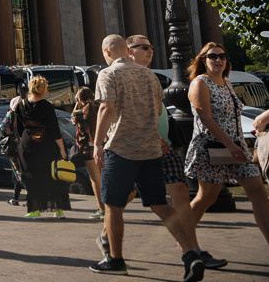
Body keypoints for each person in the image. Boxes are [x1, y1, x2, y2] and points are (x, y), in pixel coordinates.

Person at [90, 34, 207, 278]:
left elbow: (106, 108)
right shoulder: (149, 75)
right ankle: (189, 254)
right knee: (160, 204)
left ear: (107, 52)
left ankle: (115, 258)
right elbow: (157, 111)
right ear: (127, 50)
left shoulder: (107, 74)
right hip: (151, 150)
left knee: (113, 206)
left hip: (121, 149)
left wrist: (98, 143)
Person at [126, 35, 226, 270]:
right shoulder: (126, 76)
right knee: (121, 199)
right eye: (144, 47)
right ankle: (107, 237)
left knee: (180, 193)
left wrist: (170, 135)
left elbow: (160, 112)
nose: (151, 50)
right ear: (130, 51)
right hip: (135, 148)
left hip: (162, 146)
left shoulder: (151, 76)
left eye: (151, 46)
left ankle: (193, 250)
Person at [185, 41, 269, 247]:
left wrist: (238, 143)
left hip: (237, 148)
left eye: (222, 56)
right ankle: (184, 237)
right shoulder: (200, 83)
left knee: (258, 191)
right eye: (212, 56)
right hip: (213, 147)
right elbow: (205, 118)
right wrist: (229, 145)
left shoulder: (226, 82)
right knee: (207, 197)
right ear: (203, 61)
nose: (218, 60)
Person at [16, 75, 68, 219]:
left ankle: (34, 211)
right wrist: (62, 149)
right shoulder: (47, 106)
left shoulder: (21, 105)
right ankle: (58, 210)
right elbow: (54, 129)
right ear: (44, 89)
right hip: (47, 145)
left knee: (31, 177)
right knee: (51, 176)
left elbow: (20, 129)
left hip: (28, 146)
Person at [73, 86, 104, 219]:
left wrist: (77, 103)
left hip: (87, 149)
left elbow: (72, 118)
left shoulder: (80, 113)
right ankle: (107, 206)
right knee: (102, 178)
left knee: (95, 179)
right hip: (100, 146)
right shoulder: (98, 109)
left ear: (80, 99)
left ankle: (102, 209)